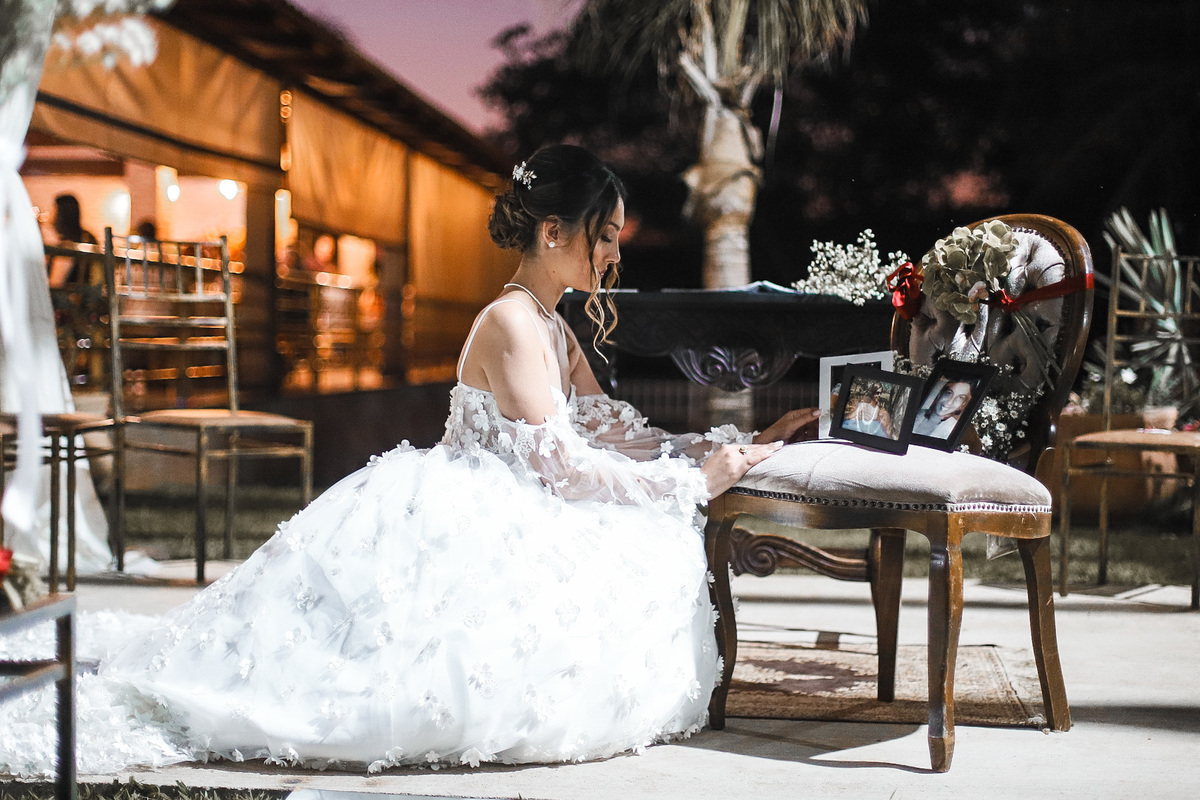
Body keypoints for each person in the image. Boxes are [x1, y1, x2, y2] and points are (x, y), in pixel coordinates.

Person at [0, 144, 818, 776]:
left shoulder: (553, 323)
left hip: (524, 497)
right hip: (476, 505)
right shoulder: (510, 321)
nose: (613, 255)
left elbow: (612, 433)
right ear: (553, 232)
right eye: (604, 237)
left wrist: (721, 447)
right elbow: (563, 470)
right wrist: (689, 483)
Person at [46, 193, 99, 288]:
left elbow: (55, 283)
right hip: (88, 293)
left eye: (53, 211)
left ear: (60, 215)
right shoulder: (87, 236)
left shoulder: (66, 245)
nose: (50, 216)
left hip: (69, 294)